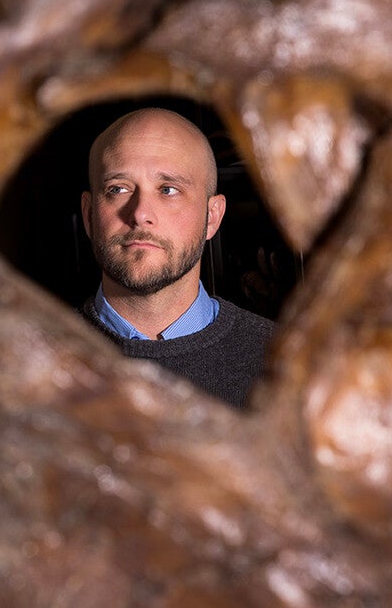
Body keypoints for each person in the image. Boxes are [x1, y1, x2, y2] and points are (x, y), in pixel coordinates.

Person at [78, 108, 274, 409]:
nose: (141, 213)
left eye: (168, 190)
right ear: (90, 215)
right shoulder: (21, 367)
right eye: (118, 189)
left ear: (211, 217)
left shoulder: (285, 367)